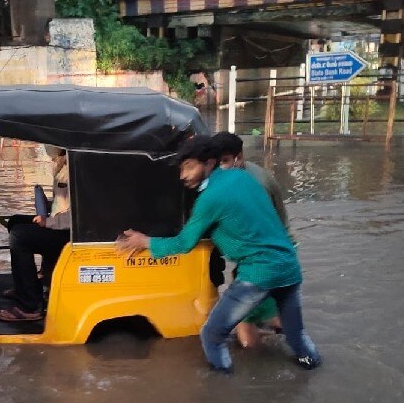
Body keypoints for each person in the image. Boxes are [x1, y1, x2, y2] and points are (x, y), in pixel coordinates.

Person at [116, 135, 321, 373]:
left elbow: (184, 243)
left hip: (259, 272)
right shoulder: (243, 178)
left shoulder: (210, 198)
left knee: (212, 335)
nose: (183, 176)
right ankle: (313, 367)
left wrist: (145, 241)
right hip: (289, 265)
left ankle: (222, 384)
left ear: (210, 163)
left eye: (189, 167)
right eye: (181, 169)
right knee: (295, 333)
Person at [212, 131, 288, 348]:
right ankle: (286, 336)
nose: (222, 167)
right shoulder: (242, 177)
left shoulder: (256, 185)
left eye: (226, 161)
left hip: (266, 253)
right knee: (264, 306)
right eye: (218, 162)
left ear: (239, 156)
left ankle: (251, 364)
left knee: (242, 314)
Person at [0, 146, 70, 322]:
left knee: (20, 236)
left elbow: (81, 212)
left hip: (70, 233)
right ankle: (24, 287)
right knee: (15, 221)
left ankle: (30, 304)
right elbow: (64, 203)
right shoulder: (62, 162)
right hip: (59, 223)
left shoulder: (77, 165)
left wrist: (48, 222)